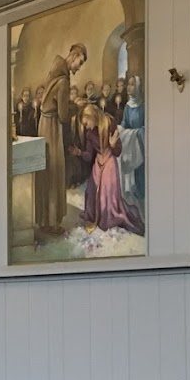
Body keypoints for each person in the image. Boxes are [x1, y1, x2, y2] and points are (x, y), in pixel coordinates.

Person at [34, 42, 87, 236]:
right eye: (79, 63)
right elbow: (64, 116)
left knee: (46, 171)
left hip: (44, 124)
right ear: (74, 56)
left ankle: (43, 219)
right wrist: (78, 107)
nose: (78, 68)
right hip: (52, 128)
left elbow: (55, 101)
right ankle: (52, 222)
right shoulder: (64, 80)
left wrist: (69, 103)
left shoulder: (55, 70)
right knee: (54, 171)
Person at [73, 104, 143, 234]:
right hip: (98, 162)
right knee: (91, 190)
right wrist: (79, 153)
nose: (86, 127)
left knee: (106, 193)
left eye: (86, 123)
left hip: (110, 161)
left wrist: (113, 144)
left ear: (91, 116)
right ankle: (94, 215)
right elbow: (89, 156)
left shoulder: (109, 122)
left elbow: (118, 151)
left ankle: (109, 217)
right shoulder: (89, 134)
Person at [119, 74, 145, 203]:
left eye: (132, 84)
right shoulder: (128, 106)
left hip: (141, 142)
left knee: (142, 170)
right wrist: (119, 130)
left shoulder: (143, 105)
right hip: (131, 142)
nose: (129, 87)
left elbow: (146, 126)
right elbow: (124, 123)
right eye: (128, 84)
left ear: (138, 87)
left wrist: (137, 133)